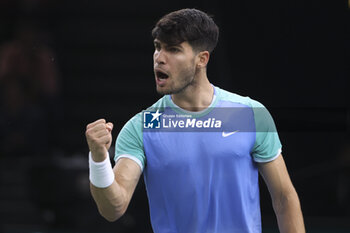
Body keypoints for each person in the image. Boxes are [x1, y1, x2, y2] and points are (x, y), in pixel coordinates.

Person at [85, 8, 305, 233]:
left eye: (173, 49)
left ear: (202, 59)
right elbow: (113, 208)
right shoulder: (144, 125)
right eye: (158, 47)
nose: (159, 58)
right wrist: (99, 159)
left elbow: (284, 198)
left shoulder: (248, 114)